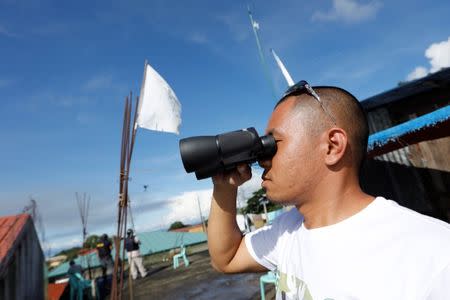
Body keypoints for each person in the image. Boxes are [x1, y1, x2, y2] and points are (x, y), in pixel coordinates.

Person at [207, 81, 450, 299]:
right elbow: (225, 259)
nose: (261, 160)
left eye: (272, 143)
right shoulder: (286, 230)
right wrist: (224, 187)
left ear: (332, 146)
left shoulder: (434, 255)